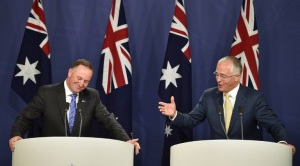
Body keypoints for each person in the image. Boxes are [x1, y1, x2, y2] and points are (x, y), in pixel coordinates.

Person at [158, 56, 296, 154]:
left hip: (247, 158)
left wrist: (282, 143)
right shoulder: (209, 96)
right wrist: (174, 115)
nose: (218, 79)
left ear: (237, 77)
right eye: (216, 74)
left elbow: (274, 125)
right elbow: (191, 120)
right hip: (218, 157)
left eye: (223, 76)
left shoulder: (254, 98)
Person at [9, 59, 140, 154]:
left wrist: (126, 140)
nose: (82, 84)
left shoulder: (92, 96)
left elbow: (109, 120)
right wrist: (16, 134)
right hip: (50, 154)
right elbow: (26, 117)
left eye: (86, 81)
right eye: (79, 78)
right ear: (70, 72)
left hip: (79, 155)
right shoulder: (47, 93)